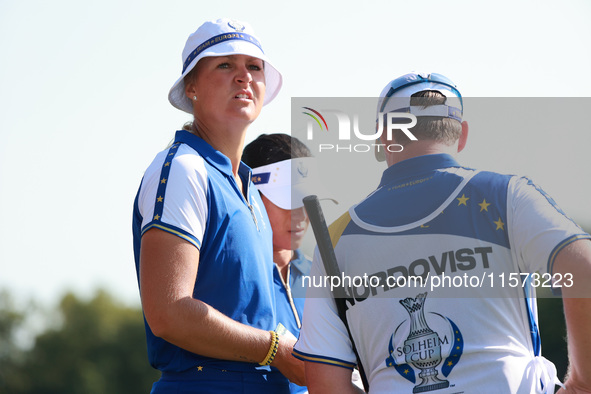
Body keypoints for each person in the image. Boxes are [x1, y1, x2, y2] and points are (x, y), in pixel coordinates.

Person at [293, 72, 591, 393]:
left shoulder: (334, 239)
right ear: (461, 134)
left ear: (382, 138)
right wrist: (581, 384)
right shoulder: (507, 195)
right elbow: (583, 268)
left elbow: (325, 385)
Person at [132, 18, 304, 393]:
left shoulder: (249, 189)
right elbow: (168, 313)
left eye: (254, 67)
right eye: (225, 64)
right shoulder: (183, 167)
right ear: (191, 86)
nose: (243, 77)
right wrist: (276, 350)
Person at [242, 133, 316, 394]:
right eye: (286, 198)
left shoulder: (327, 276)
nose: (301, 213)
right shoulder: (232, 278)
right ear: (251, 196)